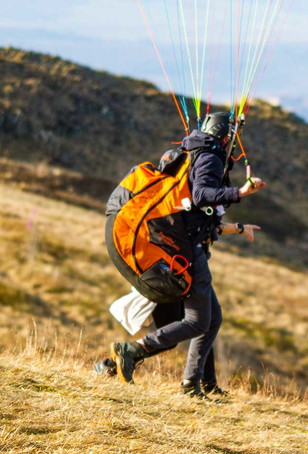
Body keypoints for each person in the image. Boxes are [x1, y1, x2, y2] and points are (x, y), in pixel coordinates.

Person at [106, 111, 265, 398]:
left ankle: (197, 384)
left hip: (184, 244)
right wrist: (239, 192)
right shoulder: (210, 157)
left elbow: (195, 211)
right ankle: (132, 351)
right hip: (188, 251)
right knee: (196, 321)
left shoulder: (191, 152)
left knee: (211, 319)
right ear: (226, 137)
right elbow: (203, 195)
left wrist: (238, 228)